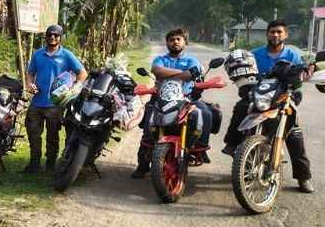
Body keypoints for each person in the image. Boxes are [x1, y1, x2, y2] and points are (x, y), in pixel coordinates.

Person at [222, 20, 313, 193]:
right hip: (261, 94)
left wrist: (306, 73)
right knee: (241, 107)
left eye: (279, 32)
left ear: (285, 34)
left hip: (285, 95)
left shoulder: (293, 55)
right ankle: (233, 145)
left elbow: (302, 75)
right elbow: (243, 72)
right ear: (267, 34)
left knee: (294, 133)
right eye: (272, 32)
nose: (275, 35)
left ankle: (303, 177)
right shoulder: (255, 54)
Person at [132, 28, 213, 179]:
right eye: (171, 40)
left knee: (206, 113)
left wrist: (168, 73)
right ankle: (142, 164)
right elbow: (157, 71)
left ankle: (200, 149)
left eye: (178, 39)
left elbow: (192, 74)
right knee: (148, 121)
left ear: (184, 42)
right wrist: (183, 73)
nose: (175, 42)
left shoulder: (192, 60)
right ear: (167, 43)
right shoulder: (160, 59)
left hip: (187, 97)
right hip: (161, 98)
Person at [22, 24, 87, 173]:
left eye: (56, 35)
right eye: (50, 34)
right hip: (37, 101)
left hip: (55, 103)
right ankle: (34, 163)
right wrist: (29, 84)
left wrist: (75, 87)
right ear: (45, 36)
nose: (52, 37)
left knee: (52, 135)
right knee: (33, 133)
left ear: (60, 38)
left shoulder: (67, 55)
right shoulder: (38, 54)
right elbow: (30, 73)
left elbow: (82, 73)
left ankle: (50, 164)